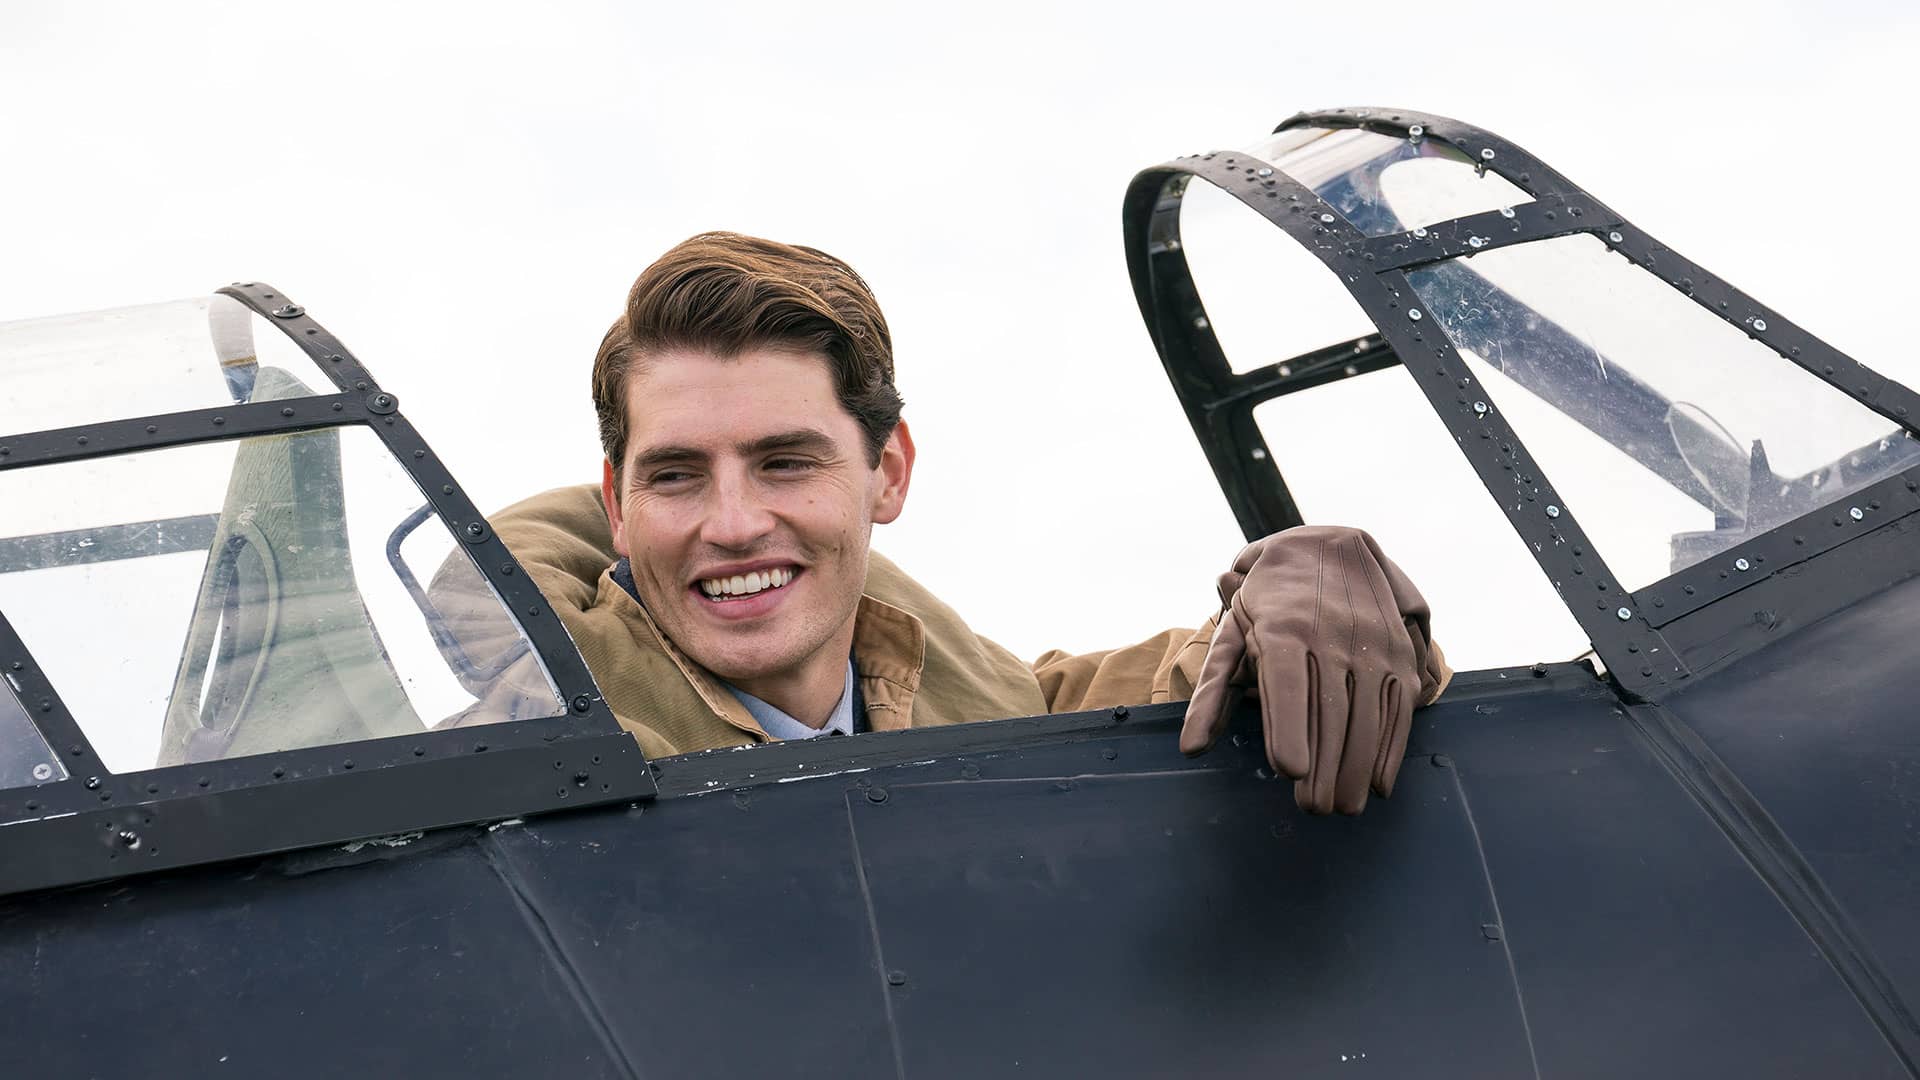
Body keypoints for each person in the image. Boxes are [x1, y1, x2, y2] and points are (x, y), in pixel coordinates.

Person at [478, 232, 1449, 814]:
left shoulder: (965, 686)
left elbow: (1144, 698)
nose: (732, 524)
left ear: (887, 473)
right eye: (678, 476)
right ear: (616, 507)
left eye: (785, 462)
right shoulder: (530, 749)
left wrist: (1316, 585)